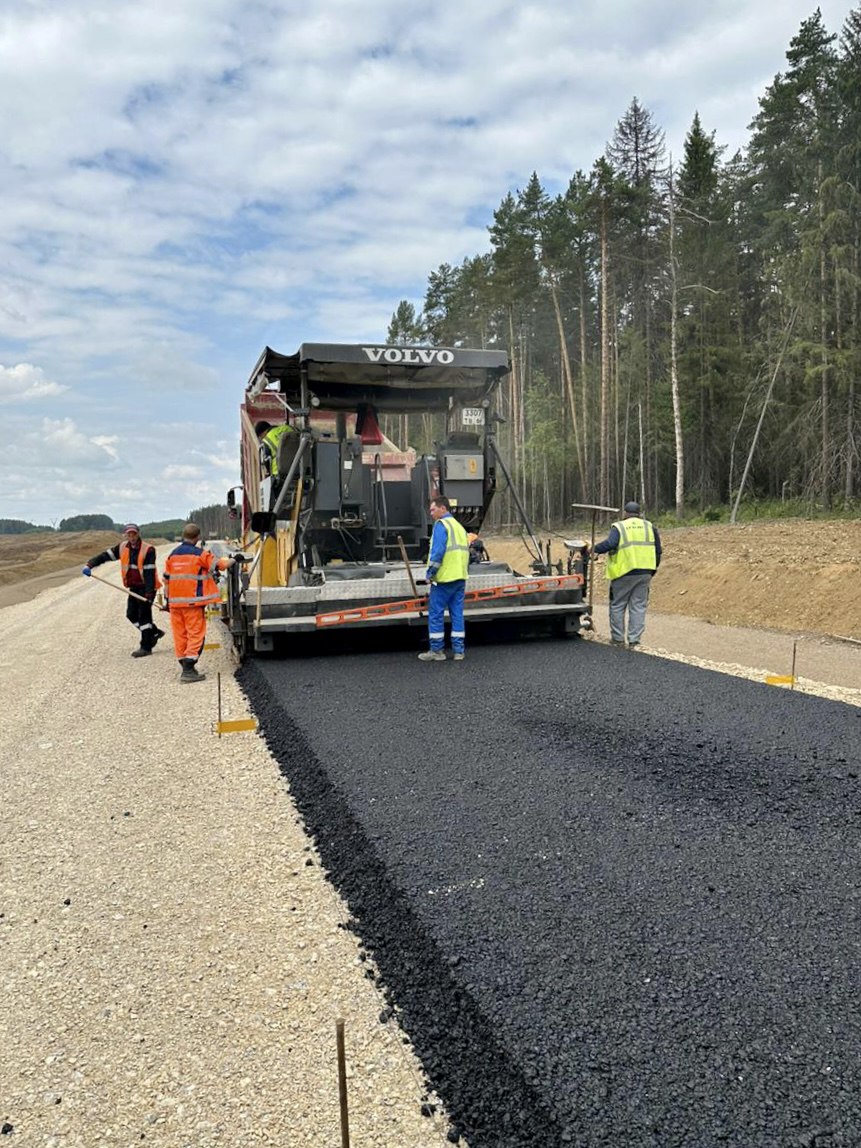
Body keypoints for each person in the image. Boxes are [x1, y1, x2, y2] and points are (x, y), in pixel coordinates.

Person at [163, 523, 237, 684]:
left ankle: (185, 665)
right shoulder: (199, 554)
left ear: (184, 536)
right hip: (193, 604)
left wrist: (166, 601)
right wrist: (235, 559)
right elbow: (221, 565)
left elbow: (166, 579)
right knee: (195, 634)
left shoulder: (172, 555)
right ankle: (189, 669)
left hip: (175, 604)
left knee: (180, 635)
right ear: (197, 538)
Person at [82, 524, 165, 657]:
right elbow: (104, 556)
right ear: (126, 535)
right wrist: (90, 564)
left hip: (146, 587)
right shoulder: (122, 547)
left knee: (144, 616)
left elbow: (149, 572)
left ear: (138, 534)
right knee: (131, 614)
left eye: (134, 534)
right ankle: (153, 632)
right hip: (133, 587)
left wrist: (149, 593)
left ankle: (146, 646)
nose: (131, 537)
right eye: (129, 534)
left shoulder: (148, 550)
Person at [590, 501, 661, 648]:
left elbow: (610, 543)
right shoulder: (650, 527)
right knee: (638, 606)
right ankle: (634, 641)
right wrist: (652, 569)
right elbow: (658, 551)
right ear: (639, 513)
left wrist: (593, 549)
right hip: (645, 572)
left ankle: (618, 639)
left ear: (625, 513)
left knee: (618, 605)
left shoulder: (619, 527)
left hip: (624, 572)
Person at [419, 496, 470, 662]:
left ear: (443, 508)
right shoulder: (459, 527)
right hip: (460, 578)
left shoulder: (441, 526)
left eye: (433, 509)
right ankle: (459, 651)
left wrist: (430, 573)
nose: (431, 513)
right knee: (457, 614)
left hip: (444, 579)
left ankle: (437, 651)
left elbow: (438, 552)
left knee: (436, 614)